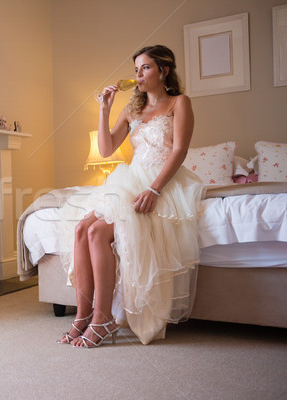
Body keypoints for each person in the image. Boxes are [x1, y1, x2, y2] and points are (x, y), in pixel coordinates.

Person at [57, 45, 204, 347]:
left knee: (98, 232)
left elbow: (179, 151)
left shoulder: (179, 103)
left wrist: (154, 189)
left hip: (161, 180)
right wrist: (104, 109)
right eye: (136, 68)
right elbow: (107, 149)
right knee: (81, 228)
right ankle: (83, 316)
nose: (138, 74)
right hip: (129, 178)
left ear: (163, 70)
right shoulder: (132, 109)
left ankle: (103, 318)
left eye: (146, 67)